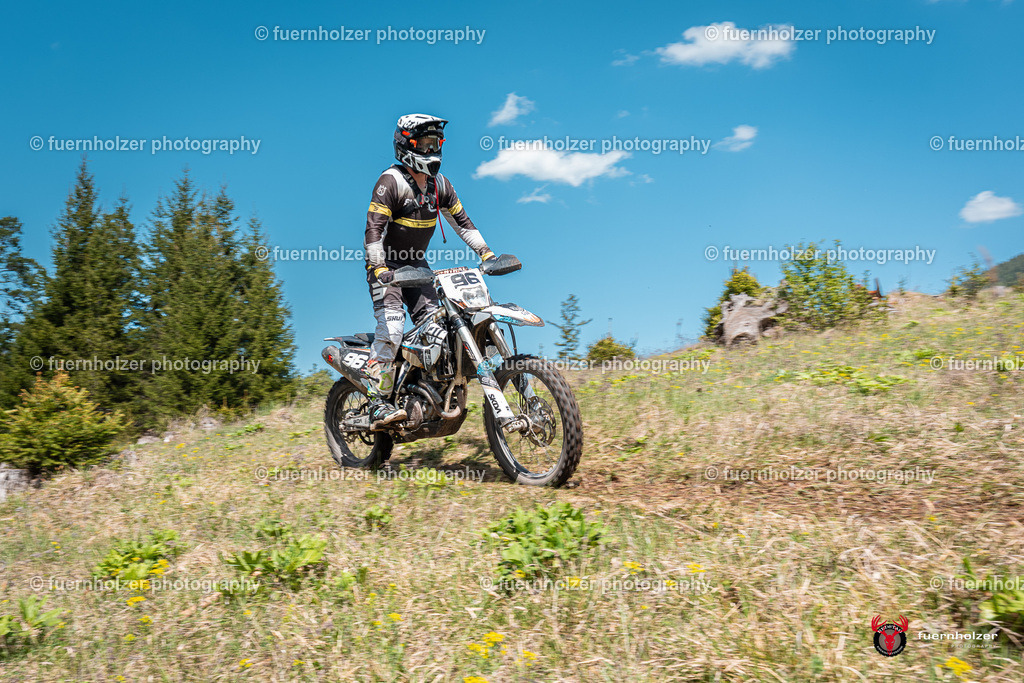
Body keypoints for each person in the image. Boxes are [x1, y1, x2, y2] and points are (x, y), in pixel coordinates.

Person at [363, 113, 497, 428]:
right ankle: (376, 401)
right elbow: (373, 230)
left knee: (437, 330)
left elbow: (463, 222)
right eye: (424, 143)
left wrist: (486, 253)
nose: (430, 149)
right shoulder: (390, 182)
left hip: (419, 268)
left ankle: (422, 391)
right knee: (393, 329)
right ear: (406, 145)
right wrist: (380, 267)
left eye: (435, 143)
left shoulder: (442, 186)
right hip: (388, 269)